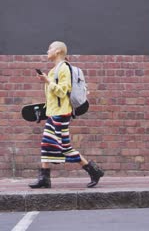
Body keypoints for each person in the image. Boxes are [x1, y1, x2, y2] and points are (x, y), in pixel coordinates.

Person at [29, 41, 104, 189]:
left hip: (61, 113)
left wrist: (47, 81)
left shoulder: (64, 69)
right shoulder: (54, 70)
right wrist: (46, 81)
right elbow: (53, 94)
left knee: (57, 145)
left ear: (58, 51)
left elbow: (63, 92)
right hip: (54, 113)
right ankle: (92, 171)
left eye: (50, 48)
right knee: (54, 145)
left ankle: (93, 171)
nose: (47, 51)